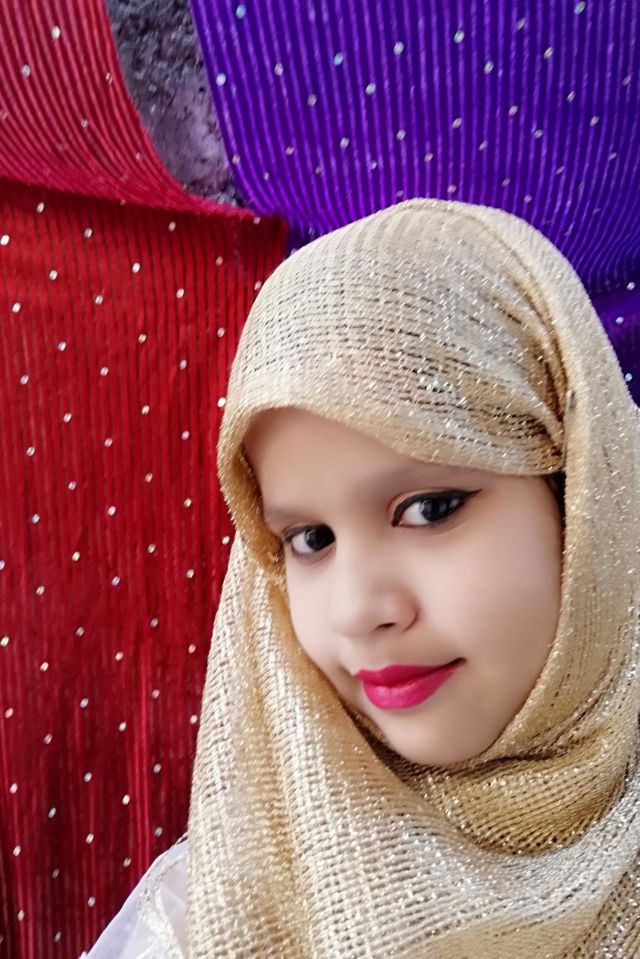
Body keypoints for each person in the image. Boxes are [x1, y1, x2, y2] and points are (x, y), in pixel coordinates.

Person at [89, 198, 640, 957]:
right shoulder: (215, 913)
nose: (356, 610)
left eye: (430, 508)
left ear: (584, 496)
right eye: (309, 539)